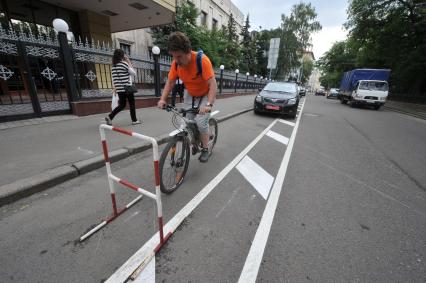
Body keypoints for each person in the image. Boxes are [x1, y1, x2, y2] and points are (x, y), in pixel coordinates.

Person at [157, 32, 217, 163]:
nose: (176, 60)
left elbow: (213, 85)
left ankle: (205, 148)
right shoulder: (176, 64)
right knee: (185, 121)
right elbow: (170, 82)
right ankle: (194, 141)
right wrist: (162, 99)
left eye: (179, 56)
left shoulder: (202, 61)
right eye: (173, 56)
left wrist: (208, 105)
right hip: (190, 93)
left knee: (201, 121)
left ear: (188, 51)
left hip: (205, 94)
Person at [105, 49, 141, 125]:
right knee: (132, 104)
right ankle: (134, 120)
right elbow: (134, 73)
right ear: (122, 56)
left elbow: (114, 79)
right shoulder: (124, 64)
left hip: (119, 89)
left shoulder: (113, 67)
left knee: (122, 105)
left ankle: (110, 116)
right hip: (127, 88)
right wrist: (128, 61)